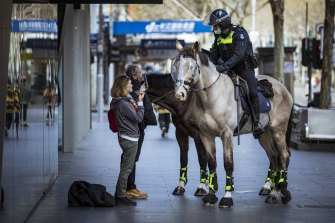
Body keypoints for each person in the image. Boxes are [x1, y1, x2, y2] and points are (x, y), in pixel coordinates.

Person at [203, 8, 264, 138]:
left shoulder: (240, 33)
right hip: (228, 69)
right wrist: (211, 67)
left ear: (223, 23)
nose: (213, 28)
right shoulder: (218, 36)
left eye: (215, 25)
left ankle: (257, 123)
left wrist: (221, 67)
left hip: (244, 69)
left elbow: (238, 56)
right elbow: (214, 55)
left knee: (252, 92)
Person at [110, 75, 145, 206]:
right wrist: (141, 103)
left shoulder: (124, 100)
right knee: (126, 169)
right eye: (130, 84)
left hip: (127, 137)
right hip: (129, 139)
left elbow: (132, 101)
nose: (131, 85)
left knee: (126, 167)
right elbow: (138, 117)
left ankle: (120, 193)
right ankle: (120, 195)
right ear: (124, 86)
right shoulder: (123, 104)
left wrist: (140, 95)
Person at [125, 64, 157, 199]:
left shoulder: (137, 86)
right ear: (134, 75)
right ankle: (129, 188)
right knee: (132, 159)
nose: (142, 73)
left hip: (137, 128)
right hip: (136, 129)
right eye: (139, 72)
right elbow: (139, 108)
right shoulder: (134, 89)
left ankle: (130, 187)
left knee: (132, 158)